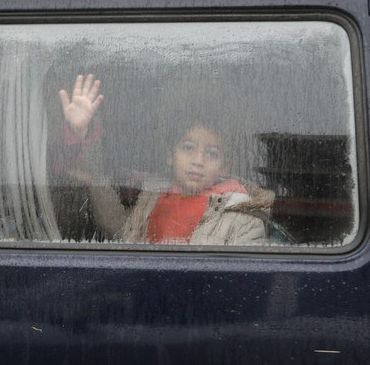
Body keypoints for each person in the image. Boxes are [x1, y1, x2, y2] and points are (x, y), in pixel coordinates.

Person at [59, 74, 269, 245]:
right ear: (170, 155)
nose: (198, 160)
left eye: (211, 153)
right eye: (188, 148)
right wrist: (82, 136)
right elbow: (121, 231)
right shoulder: (153, 198)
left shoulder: (242, 215)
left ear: (224, 167)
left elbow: (241, 280)